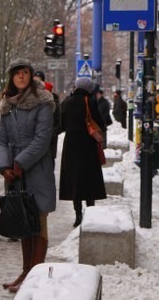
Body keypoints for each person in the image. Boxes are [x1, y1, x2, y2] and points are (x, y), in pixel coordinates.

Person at [0, 58, 56, 293]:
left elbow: (42, 140)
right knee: (22, 219)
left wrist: (20, 162)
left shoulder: (43, 103)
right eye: (16, 73)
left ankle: (35, 272)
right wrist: (4, 166)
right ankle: (25, 271)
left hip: (37, 169)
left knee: (38, 219)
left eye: (25, 73)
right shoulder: (7, 106)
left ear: (30, 76)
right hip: (14, 172)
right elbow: (0, 139)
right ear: (11, 77)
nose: (21, 77)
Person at [59, 77, 106, 227]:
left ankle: (78, 214)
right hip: (88, 145)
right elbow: (99, 122)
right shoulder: (90, 101)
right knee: (89, 179)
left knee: (75, 181)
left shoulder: (66, 102)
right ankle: (90, 213)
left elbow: (61, 125)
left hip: (71, 145)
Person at [34, 70, 60, 164]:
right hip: (35, 143)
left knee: (48, 166)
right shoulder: (31, 99)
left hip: (49, 141)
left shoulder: (53, 101)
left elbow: (58, 122)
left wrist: (51, 133)